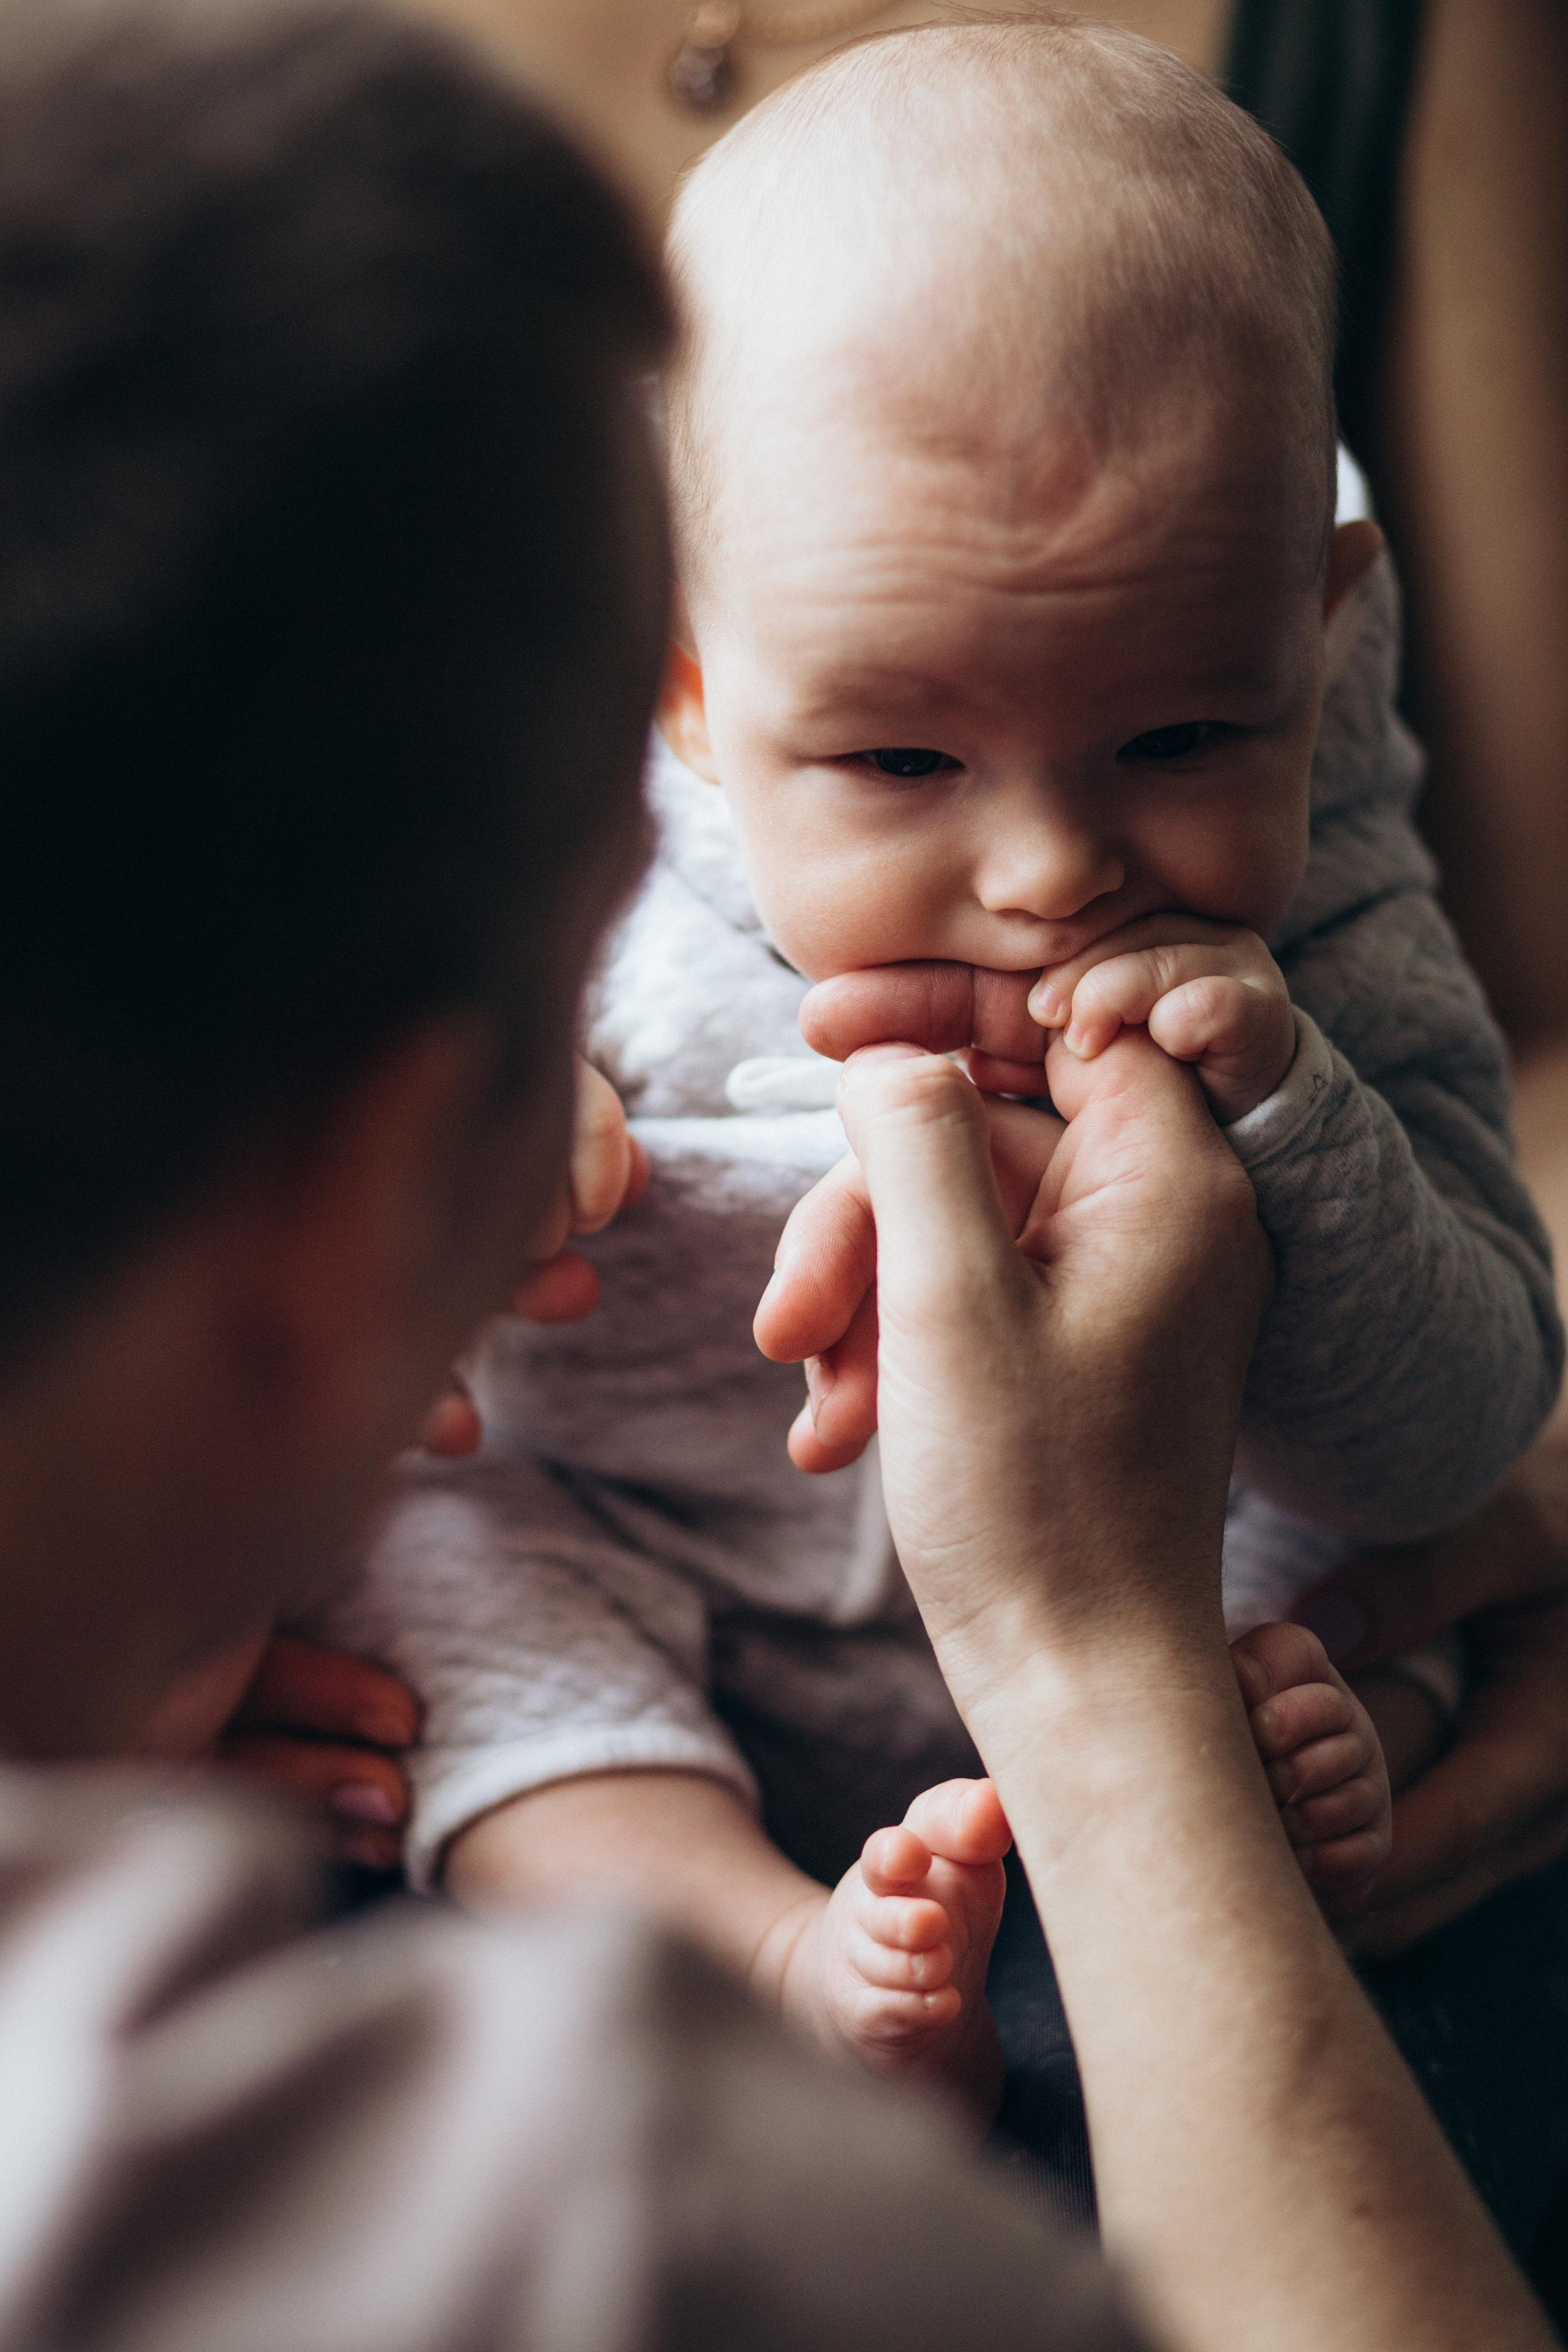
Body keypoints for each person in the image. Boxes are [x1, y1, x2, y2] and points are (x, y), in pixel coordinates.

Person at [0, 2, 1556, 2345]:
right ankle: (775, 1954)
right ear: (688, 699)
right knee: (470, 1610)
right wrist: (522, 1178)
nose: (1051, 868)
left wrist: (1294, 1120)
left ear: (1316, 650)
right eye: (905, 755)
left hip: (1170, 1624)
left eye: (1179, 734)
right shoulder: (568, 805)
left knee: (1389, 1611)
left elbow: (1463, 1415)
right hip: (659, 1555)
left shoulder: (1311, 891)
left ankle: (1254, 1847)